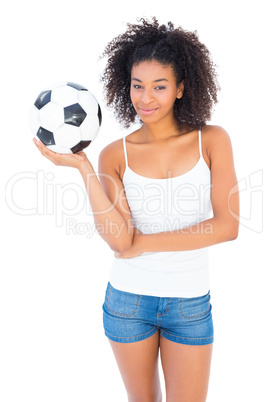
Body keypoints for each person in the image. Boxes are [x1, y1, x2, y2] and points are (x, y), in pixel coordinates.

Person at [33, 17, 240, 402]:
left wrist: (144, 243)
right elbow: (118, 239)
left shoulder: (212, 140)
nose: (145, 98)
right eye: (137, 85)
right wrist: (84, 167)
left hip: (190, 303)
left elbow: (227, 226)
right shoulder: (115, 154)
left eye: (159, 87)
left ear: (180, 88)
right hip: (128, 302)